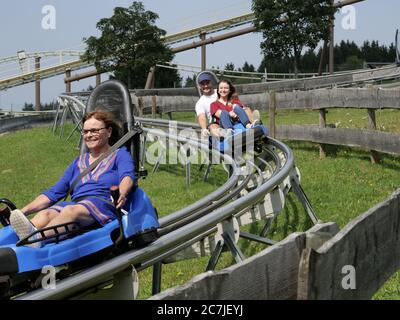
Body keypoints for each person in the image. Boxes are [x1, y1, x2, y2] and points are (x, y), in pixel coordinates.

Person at [9, 110, 135, 248]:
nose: (89, 135)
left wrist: (122, 193)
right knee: (45, 214)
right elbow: (54, 192)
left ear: (109, 132)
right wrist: (22, 211)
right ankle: (23, 240)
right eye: (85, 132)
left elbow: (127, 176)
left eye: (94, 130)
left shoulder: (120, 155)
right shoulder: (78, 162)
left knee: (70, 211)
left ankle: (37, 240)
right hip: (77, 205)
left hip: (103, 204)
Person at [195, 73, 261, 138]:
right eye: (203, 84)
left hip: (233, 112)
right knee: (213, 127)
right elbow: (202, 117)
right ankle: (224, 137)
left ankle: (254, 124)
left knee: (245, 109)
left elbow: (234, 100)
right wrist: (204, 128)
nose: (206, 86)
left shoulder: (222, 90)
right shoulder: (201, 102)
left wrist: (237, 109)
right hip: (217, 120)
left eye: (207, 83)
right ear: (200, 86)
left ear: (211, 83)